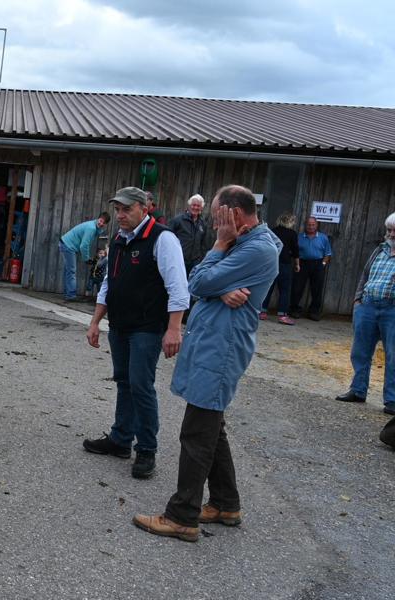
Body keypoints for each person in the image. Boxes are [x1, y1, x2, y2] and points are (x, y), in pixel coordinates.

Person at [133, 184, 280, 542]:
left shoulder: (255, 248)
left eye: (218, 219)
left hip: (223, 348)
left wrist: (217, 251)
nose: (216, 226)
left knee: (197, 431)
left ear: (235, 214)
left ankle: (182, 515)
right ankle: (226, 503)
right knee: (214, 425)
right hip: (215, 343)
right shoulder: (244, 244)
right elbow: (207, 283)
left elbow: (196, 281)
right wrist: (221, 286)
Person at [84, 187, 189, 480]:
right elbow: (108, 284)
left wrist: (173, 329)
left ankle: (146, 449)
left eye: (126, 209)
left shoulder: (162, 238)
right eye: (118, 210)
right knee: (123, 382)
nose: (121, 215)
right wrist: (95, 322)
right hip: (119, 325)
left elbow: (179, 288)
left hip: (147, 327)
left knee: (141, 385)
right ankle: (120, 440)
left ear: (145, 208)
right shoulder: (119, 240)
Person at [334, 213, 395, 416]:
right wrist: (358, 300)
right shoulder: (380, 249)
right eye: (389, 230)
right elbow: (365, 275)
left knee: (393, 355)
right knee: (360, 352)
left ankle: (392, 399)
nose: (391, 234)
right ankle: (358, 390)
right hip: (367, 305)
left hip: (392, 309)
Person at [58, 212, 109, 301]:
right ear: (98, 218)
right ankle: (70, 296)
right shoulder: (91, 228)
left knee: (68, 270)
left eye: (103, 223)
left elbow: (86, 243)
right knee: (71, 271)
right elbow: (84, 245)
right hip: (68, 246)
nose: (101, 223)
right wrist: (87, 259)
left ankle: (68, 294)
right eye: (100, 221)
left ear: (105, 224)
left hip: (65, 244)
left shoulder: (94, 226)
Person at [290, 216, 331, 320]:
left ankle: (314, 312)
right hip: (302, 263)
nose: (311, 227)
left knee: (317, 289)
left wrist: (323, 264)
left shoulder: (323, 237)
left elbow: (328, 253)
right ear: (305, 225)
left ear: (316, 225)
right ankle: (294, 310)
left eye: (313, 224)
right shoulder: (299, 237)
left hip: (318, 264)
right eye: (309, 224)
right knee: (297, 287)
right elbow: (294, 252)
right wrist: (297, 263)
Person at [261, 213, 299, 325]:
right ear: (290, 222)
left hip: (271, 262)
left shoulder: (273, 231)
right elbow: (296, 250)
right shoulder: (292, 233)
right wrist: (297, 264)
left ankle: (262, 312)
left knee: (268, 287)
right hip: (285, 264)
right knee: (285, 290)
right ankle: (282, 315)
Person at [171, 194, 210, 275]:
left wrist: (201, 260)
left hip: (195, 263)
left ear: (201, 208)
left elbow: (204, 245)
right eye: (193, 205)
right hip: (179, 260)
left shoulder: (203, 224)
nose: (195, 208)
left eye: (198, 206)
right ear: (189, 205)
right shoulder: (178, 220)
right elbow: (169, 239)